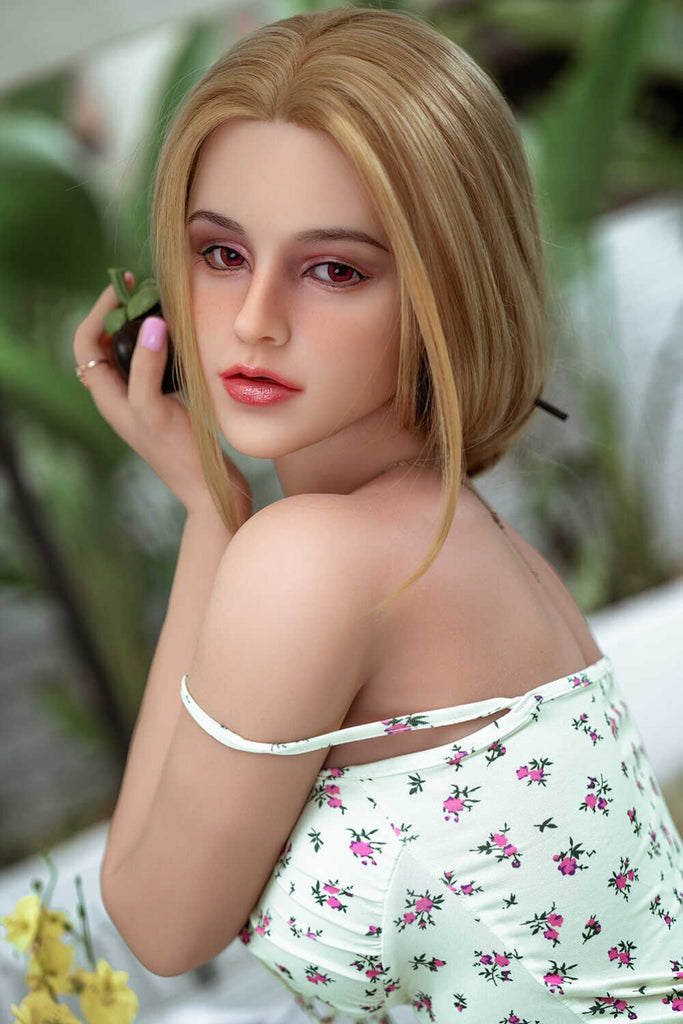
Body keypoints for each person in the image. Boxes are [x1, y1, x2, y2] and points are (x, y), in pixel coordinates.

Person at [73, 5, 683, 1021]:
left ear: (447, 287)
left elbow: (155, 921)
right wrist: (214, 507)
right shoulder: (465, 535)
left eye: (333, 270)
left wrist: (212, 516)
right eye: (221, 254)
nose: (255, 320)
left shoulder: (316, 560)